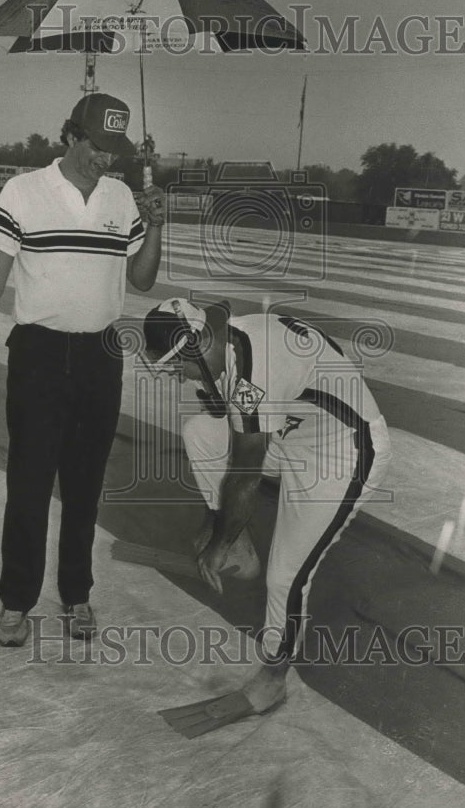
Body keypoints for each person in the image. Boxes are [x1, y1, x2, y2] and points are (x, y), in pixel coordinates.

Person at [0, 93, 165, 648]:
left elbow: (141, 279)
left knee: (86, 486)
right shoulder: (22, 192)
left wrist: (158, 225)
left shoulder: (121, 197)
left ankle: (77, 595)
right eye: (96, 146)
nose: (105, 160)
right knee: (28, 484)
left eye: (114, 151)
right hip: (39, 354)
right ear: (70, 136)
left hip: (102, 354)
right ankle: (17, 601)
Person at [141, 297, 392, 737]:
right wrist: (215, 525)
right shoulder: (228, 343)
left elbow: (245, 473)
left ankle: (272, 681)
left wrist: (217, 539)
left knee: (287, 578)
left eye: (178, 362)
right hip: (293, 438)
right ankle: (239, 548)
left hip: (341, 457)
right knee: (201, 430)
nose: (177, 373)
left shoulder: (255, 368)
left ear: (198, 342)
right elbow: (227, 423)